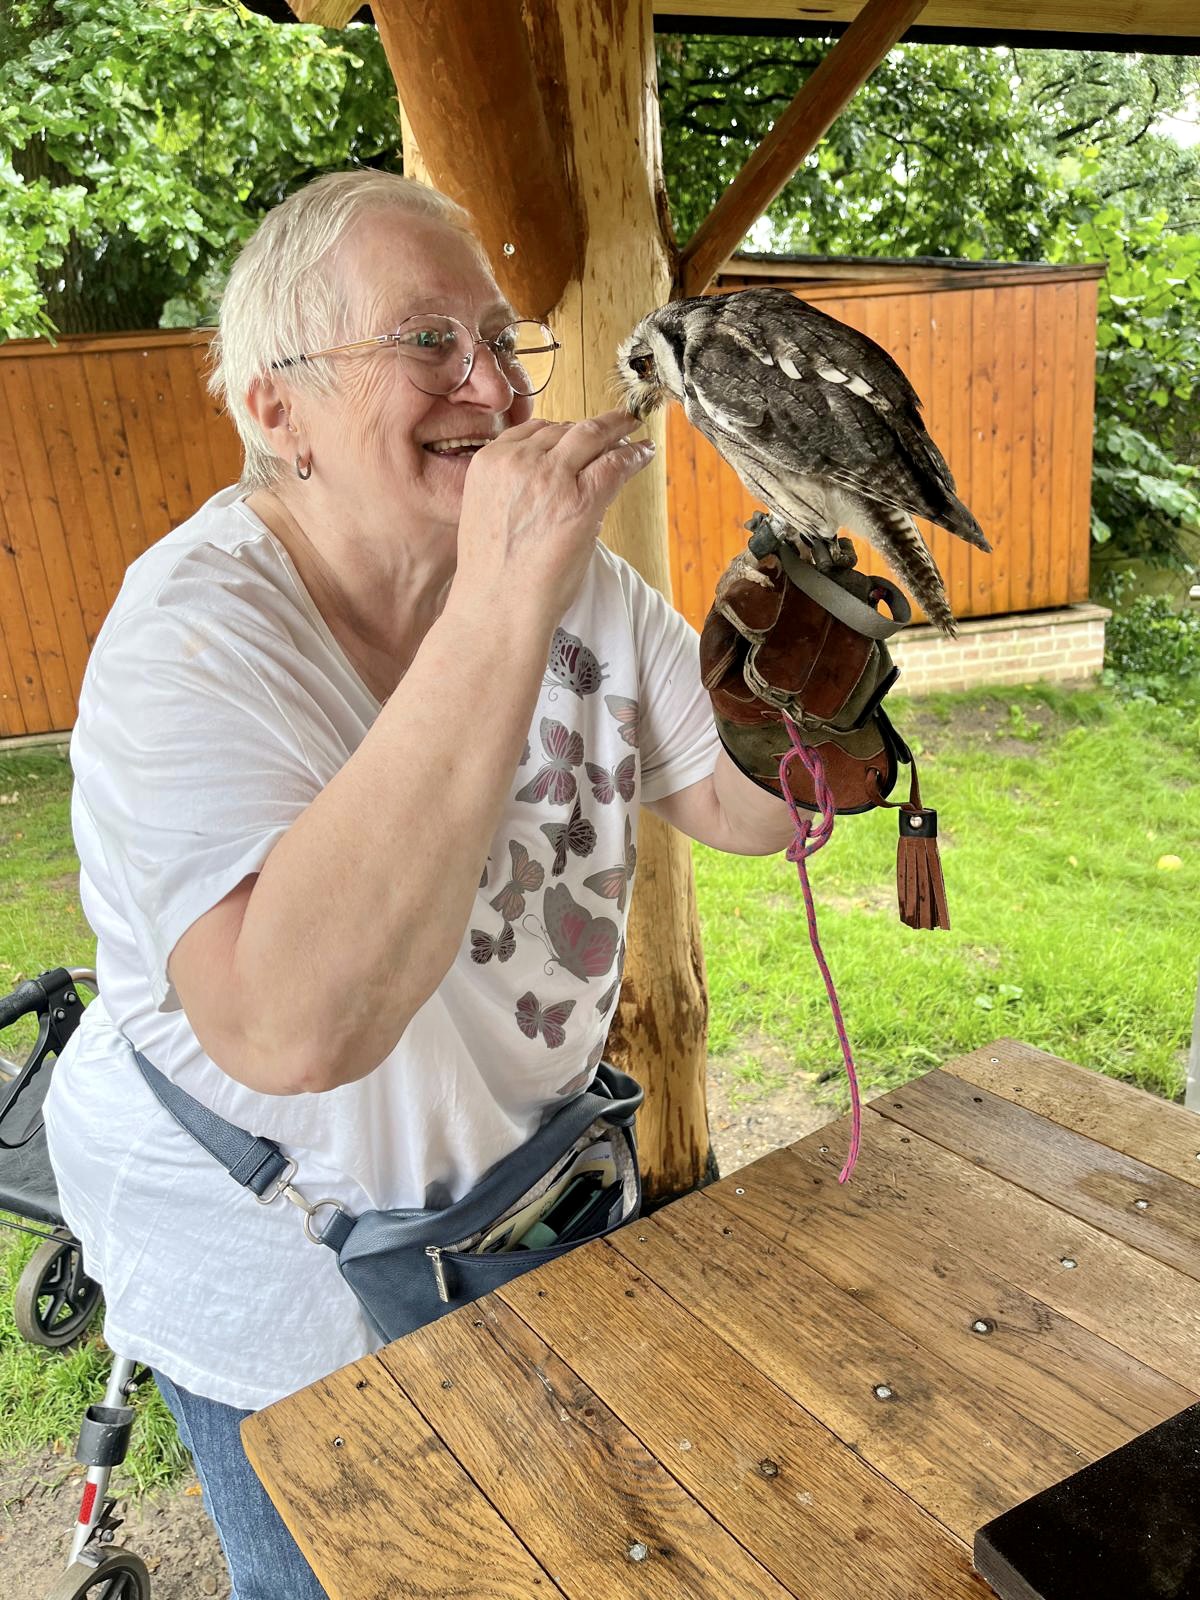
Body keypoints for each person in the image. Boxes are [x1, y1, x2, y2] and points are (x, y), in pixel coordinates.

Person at [44, 170, 795, 1599]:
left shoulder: (569, 582)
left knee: (550, 1553)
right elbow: (293, 1028)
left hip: (516, 1210)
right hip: (280, 1270)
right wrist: (505, 594)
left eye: (505, 343)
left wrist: (812, 693)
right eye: (430, 343)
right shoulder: (188, 637)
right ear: (277, 411)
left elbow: (736, 806)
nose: (495, 388)